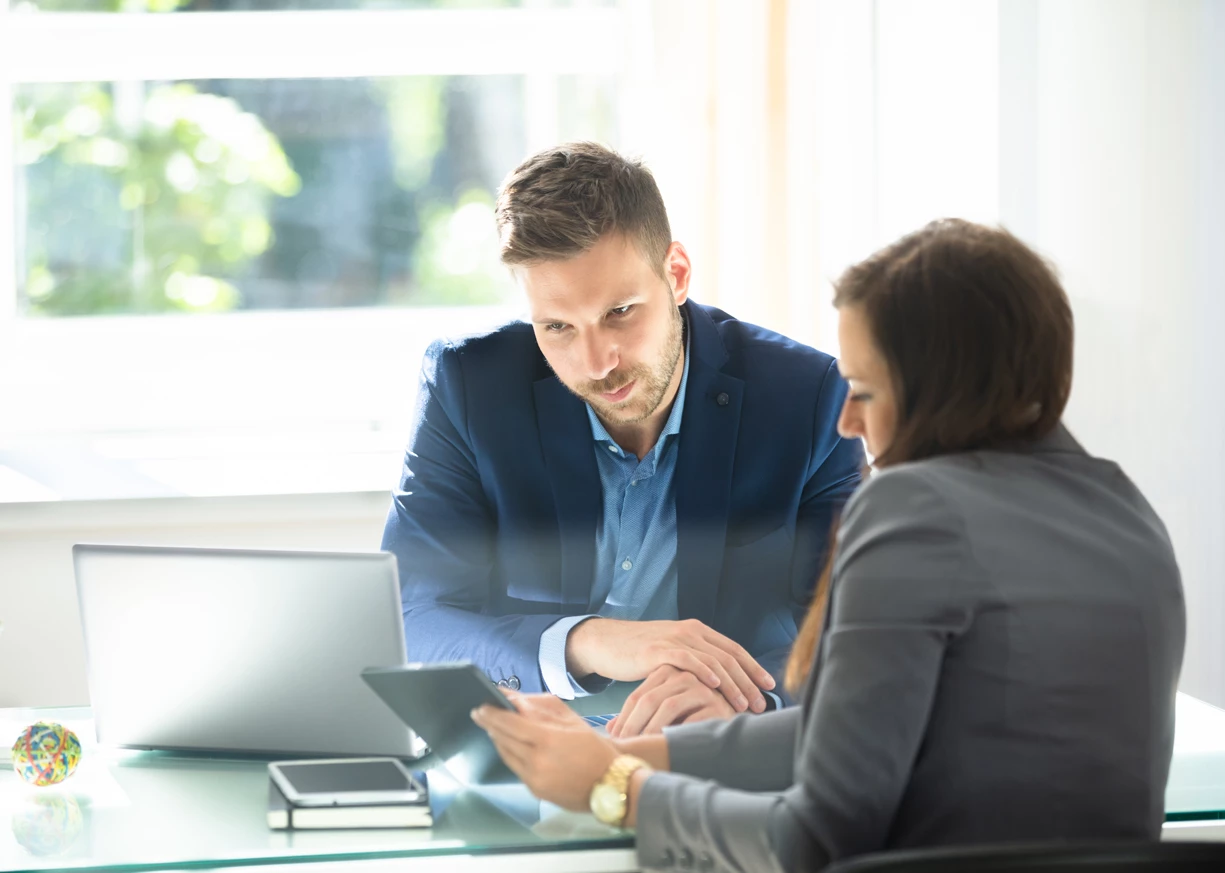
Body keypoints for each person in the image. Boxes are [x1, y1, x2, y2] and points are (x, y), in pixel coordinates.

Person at [472, 218, 1187, 871]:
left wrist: (611, 785)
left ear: (944, 391)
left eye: (865, 392)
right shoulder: (1125, 513)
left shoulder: (913, 506)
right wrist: (630, 751)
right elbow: (845, 734)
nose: (845, 422)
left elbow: (814, 838)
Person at [382, 142, 864, 730]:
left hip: (714, 755)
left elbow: (852, 628)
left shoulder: (807, 397)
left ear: (677, 274)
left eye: (620, 312)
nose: (595, 362)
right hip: (522, 759)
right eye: (557, 326)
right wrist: (584, 643)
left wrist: (751, 701)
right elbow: (413, 617)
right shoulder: (468, 387)